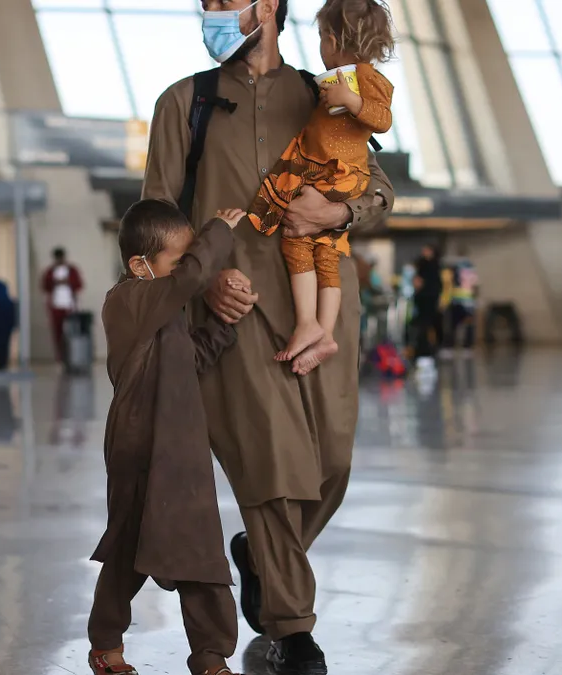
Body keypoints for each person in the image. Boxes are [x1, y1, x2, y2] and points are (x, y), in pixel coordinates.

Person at [142, 0, 395, 671]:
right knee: (275, 470)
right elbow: (153, 221)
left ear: (271, 6)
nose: (215, 10)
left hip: (324, 302)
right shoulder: (184, 104)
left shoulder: (323, 93)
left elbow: (380, 190)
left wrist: (338, 207)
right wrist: (203, 277)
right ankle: (295, 625)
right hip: (232, 312)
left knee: (331, 467)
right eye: (207, 2)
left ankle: (259, 554)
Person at [87, 201, 244, 675]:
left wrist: (224, 325)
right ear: (140, 266)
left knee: (200, 551)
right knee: (130, 551)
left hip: (183, 451)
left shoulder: (165, 309)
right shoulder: (128, 300)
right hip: (139, 447)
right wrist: (218, 232)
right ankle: (106, 646)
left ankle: (211, 656)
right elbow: (191, 280)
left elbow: (190, 358)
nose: (188, 267)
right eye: (180, 258)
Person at [247, 0, 394, 374]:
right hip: (327, 174)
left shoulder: (363, 80)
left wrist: (350, 99)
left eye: (320, 38)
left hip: (337, 176)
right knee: (325, 252)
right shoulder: (333, 81)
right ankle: (321, 330)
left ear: (330, 40)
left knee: (297, 241)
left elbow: (383, 117)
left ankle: (309, 324)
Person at [41, 247, 82, 362]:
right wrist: (55, 282)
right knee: (57, 332)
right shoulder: (50, 271)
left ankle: (72, 355)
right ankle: (60, 357)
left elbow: (79, 284)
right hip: (56, 306)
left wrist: (68, 282)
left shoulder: (71, 270)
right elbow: (45, 286)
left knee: (72, 331)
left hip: (70, 306)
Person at [412, 243, 443, 369]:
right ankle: (423, 348)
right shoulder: (425, 265)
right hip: (425, 300)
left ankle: (427, 348)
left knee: (428, 325)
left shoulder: (431, 265)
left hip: (429, 299)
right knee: (424, 325)